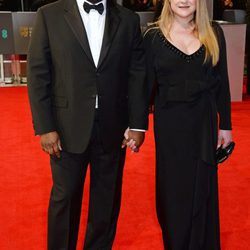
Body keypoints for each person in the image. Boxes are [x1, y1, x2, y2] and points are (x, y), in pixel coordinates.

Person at [27, 0, 148, 249]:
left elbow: (137, 75)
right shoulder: (48, 15)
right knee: (65, 199)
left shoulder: (128, 19)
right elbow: (38, 73)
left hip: (113, 127)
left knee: (106, 202)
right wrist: (45, 126)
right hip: (65, 128)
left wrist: (138, 123)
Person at [144, 0, 233, 249]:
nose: (184, 1)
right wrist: (136, 125)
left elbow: (221, 83)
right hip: (170, 129)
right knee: (173, 194)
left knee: (202, 191)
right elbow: (143, 87)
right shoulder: (152, 36)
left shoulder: (213, 32)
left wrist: (225, 124)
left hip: (203, 126)